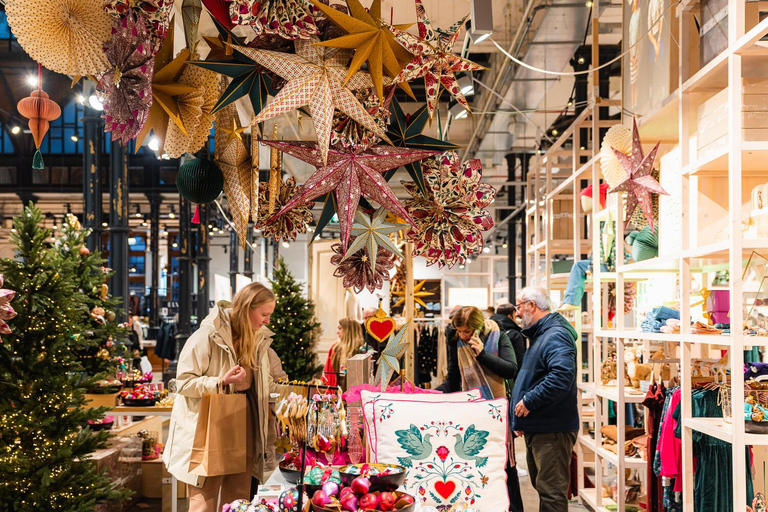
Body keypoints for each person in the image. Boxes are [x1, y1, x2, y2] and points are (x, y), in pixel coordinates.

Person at [163, 282, 279, 512]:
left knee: (238, 501)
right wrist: (220, 382)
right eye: (264, 314)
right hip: (208, 427)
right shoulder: (207, 335)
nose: (267, 321)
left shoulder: (259, 341)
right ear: (248, 308)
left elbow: (270, 382)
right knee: (202, 502)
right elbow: (183, 382)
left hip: (245, 426)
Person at [435, 306, 522, 512]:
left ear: (478, 327)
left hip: (496, 413)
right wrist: (432, 393)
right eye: (460, 331)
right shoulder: (455, 341)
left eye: (467, 331)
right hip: (469, 414)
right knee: (476, 467)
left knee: (505, 468)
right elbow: (454, 379)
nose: (463, 336)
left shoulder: (498, 336)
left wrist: (482, 354)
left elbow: (510, 369)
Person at [510, 286, 578, 512]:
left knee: (551, 493)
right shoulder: (542, 334)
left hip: (552, 428)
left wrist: (529, 402)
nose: (517, 313)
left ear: (531, 305)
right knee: (545, 488)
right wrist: (522, 419)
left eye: (519, 306)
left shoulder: (555, 334)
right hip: (541, 426)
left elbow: (561, 375)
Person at [322, 317, 364, 386]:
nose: (337, 332)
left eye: (340, 328)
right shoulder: (335, 349)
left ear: (349, 330)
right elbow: (328, 372)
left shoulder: (359, 351)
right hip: (336, 389)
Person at [491, 304, 528, 371]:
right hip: (508, 376)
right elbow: (519, 361)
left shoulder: (488, 330)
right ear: (509, 316)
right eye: (514, 317)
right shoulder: (515, 334)